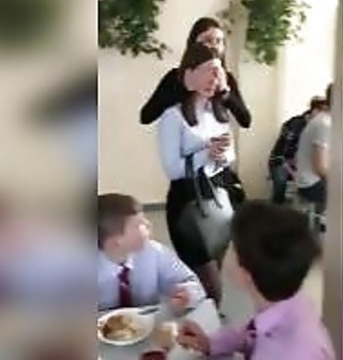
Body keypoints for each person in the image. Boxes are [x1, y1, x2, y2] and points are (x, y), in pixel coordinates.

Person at [177, 201, 334, 360]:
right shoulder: (288, 301)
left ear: (245, 274)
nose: (225, 249)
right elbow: (250, 335)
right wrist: (209, 343)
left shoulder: (291, 352)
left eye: (232, 246)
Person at [157, 43, 236, 307]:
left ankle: (207, 323)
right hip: (186, 203)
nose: (213, 79)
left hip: (216, 196)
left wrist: (221, 154)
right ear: (189, 74)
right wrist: (206, 153)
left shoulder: (219, 113)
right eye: (207, 71)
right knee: (209, 284)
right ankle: (206, 323)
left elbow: (229, 158)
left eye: (217, 72)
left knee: (216, 272)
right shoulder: (172, 117)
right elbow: (172, 169)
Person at [97, 193, 205, 312]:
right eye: (139, 225)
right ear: (115, 242)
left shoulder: (154, 251)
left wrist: (187, 293)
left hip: (150, 320)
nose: (149, 224)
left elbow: (190, 282)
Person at [140, 17, 251, 129]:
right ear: (194, 44)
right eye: (208, 40)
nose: (214, 46)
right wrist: (186, 86)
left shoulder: (227, 79)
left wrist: (224, 92)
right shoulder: (174, 77)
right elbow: (146, 117)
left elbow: (245, 121)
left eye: (219, 41)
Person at [268, 96, 324, 204]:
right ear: (314, 110)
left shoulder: (321, 127)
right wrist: (294, 173)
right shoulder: (294, 124)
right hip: (281, 162)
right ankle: (276, 208)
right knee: (280, 182)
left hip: (302, 163)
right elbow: (280, 155)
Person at [295, 83, 332, 227]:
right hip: (311, 184)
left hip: (311, 180)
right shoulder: (325, 124)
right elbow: (320, 168)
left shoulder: (324, 120)